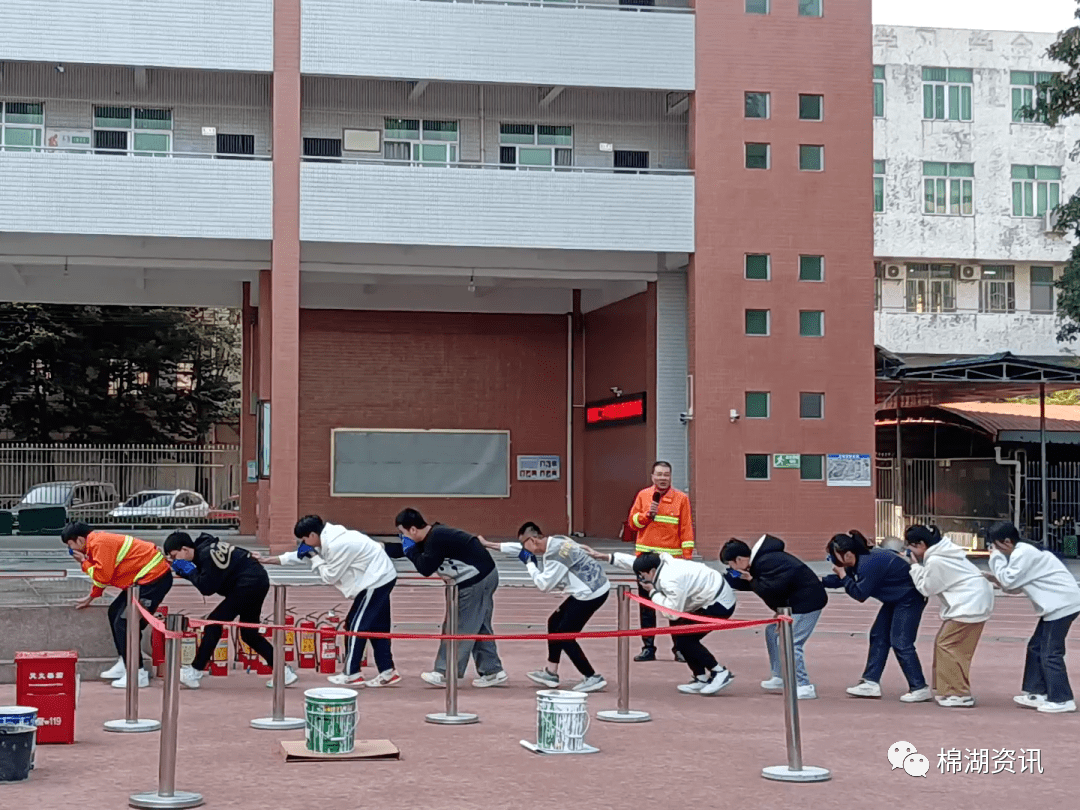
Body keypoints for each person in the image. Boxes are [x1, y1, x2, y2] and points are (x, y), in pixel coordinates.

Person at [258, 515, 401, 687]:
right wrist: (267, 560)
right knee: (377, 627)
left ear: (312, 535)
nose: (304, 543)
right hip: (381, 576)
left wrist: (313, 557)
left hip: (376, 580)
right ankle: (388, 671)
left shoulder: (336, 545)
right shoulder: (329, 537)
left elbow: (330, 576)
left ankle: (352, 673)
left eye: (304, 540)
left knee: (356, 626)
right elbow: (299, 555)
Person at [590, 548, 736, 695]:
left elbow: (672, 613)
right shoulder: (658, 563)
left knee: (687, 640)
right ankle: (701, 678)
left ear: (652, 571)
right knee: (681, 639)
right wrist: (605, 556)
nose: (641, 578)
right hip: (707, 597)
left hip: (719, 603)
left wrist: (652, 592)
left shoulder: (670, 580)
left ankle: (719, 672)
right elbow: (633, 563)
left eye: (643, 575)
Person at [482, 522, 608, 693]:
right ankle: (551, 673)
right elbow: (520, 550)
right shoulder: (558, 540)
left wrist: (530, 564)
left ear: (533, 540)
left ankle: (592, 677)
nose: (523, 548)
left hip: (590, 594)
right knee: (554, 622)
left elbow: (544, 585)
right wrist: (490, 545)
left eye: (524, 544)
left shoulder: (555, 556)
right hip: (594, 587)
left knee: (565, 635)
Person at [163, 531, 297, 690]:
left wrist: (189, 571)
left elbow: (206, 587)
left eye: (174, 555)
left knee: (214, 623)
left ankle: (195, 670)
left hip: (248, 584)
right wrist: (187, 570)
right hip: (256, 580)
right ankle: (283, 671)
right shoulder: (206, 548)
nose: (174, 560)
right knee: (249, 633)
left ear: (185, 549)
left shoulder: (207, 555)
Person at [391, 508, 507, 688]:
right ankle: (492, 671)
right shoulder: (432, 537)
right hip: (480, 576)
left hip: (476, 580)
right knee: (478, 625)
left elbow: (425, 567)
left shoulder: (436, 538)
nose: (402, 537)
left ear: (413, 530)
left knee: (457, 625)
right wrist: (383, 548)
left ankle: (445, 672)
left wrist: (410, 551)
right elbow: (408, 551)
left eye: (403, 533)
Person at [822, 529, 931, 703]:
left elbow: (859, 593)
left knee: (901, 642)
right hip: (896, 599)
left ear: (848, 554)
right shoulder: (860, 560)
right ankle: (870, 682)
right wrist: (818, 582)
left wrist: (842, 575)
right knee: (879, 636)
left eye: (834, 556)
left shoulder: (868, 564)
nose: (833, 561)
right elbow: (845, 579)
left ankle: (919, 687)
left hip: (909, 598)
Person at [62, 522, 173, 689]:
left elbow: (103, 576)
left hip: (154, 579)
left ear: (79, 540)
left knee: (126, 622)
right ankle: (125, 660)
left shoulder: (98, 544)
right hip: (143, 581)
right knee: (114, 612)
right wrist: (91, 597)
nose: (73, 551)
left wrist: (84, 563)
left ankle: (137, 673)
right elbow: (101, 575)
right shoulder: (95, 544)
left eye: (71, 547)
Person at [985, 521, 1080, 714]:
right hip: (1059, 604)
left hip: (1061, 604)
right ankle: (1036, 692)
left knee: (1050, 653)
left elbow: (1009, 581)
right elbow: (1014, 585)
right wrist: (997, 579)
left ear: (1006, 542)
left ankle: (1062, 699)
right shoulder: (1024, 552)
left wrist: (995, 559)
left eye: (995, 545)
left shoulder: (1023, 553)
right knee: (1037, 647)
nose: (995, 549)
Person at [720, 535, 828, 700]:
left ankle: (805, 685)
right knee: (772, 632)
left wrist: (751, 580)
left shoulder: (766, 562)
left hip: (808, 603)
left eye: (731, 564)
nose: (732, 568)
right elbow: (775, 589)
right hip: (795, 603)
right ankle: (779, 677)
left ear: (739, 559)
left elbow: (771, 589)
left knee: (790, 642)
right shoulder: (760, 563)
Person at [903, 525, 994, 708]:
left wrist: (913, 567)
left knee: (949, 646)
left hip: (968, 604)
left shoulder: (936, 560)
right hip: (973, 601)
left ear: (920, 544)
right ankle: (947, 689)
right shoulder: (945, 552)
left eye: (910, 547)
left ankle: (958, 693)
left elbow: (926, 588)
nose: (909, 551)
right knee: (947, 645)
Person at [625, 461, 695, 663]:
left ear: (670, 477)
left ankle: (679, 648)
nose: (663, 478)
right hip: (646, 561)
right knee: (646, 606)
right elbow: (632, 523)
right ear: (652, 476)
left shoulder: (681, 499)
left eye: (666, 474)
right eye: (659, 474)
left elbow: (686, 529)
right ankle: (648, 647)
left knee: (674, 606)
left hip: (671, 563)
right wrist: (647, 516)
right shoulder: (643, 496)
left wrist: (687, 558)